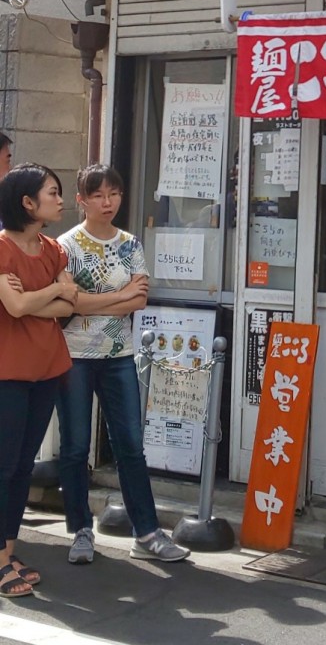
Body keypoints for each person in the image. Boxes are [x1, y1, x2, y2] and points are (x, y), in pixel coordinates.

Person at [56, 164, 190, 565]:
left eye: (113, 193)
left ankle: (147, 533)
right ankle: (80, 529)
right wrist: (115, 297)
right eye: (97, 195)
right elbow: (69, 302)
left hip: (119, 355)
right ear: (81, 200)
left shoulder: (130, 244)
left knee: (131, 445)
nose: (107, 202)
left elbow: (139, 301)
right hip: (74, 355)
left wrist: (92, 301)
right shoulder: (65, 246)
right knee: (76, 446)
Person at [0, 163, 77, 598]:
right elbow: (14, 307)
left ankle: (7, 553)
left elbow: (69, 306)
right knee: (4, 466)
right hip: (7, 372)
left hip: (45, 368)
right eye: (52, 192)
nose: (59, 199)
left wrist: (36, 298)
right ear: (27, 203)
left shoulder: (53, 250)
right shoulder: (2, 248)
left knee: (22, 467)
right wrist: (51, 292)